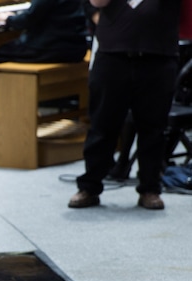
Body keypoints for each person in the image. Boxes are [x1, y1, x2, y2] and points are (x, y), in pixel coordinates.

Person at [69, 0, 181, 210]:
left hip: (157, 56)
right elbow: (94, 2)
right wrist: (95, 15)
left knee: (153, 129)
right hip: (112, 55)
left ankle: (150, 189)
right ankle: (89, 187)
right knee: (101, 126)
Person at [0, 0, 89, 132]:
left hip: (50, 47)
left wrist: (8, 19)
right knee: (7, 49)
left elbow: (29, 18)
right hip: (76, 48)